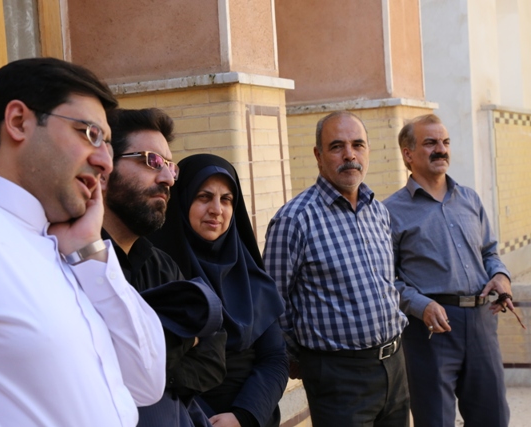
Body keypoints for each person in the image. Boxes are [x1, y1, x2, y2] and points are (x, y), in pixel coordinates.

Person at [0, 58, 165, 426]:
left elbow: (146, 382)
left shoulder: (70, 252)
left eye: (109, 146)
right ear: (19, 121)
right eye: (91, 134)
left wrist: (89, 251)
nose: (106, 162)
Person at [263, 111, 409, 427]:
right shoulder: (294, 220)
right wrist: (300, 358)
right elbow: (273, 303)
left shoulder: (378, 212)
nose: (349, 155)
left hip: (395, 367)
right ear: (318, 155)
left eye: (358, 145)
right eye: (337, 146)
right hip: (338, 378)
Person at [383, 113, 512, 427]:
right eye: (430, 143)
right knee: (435, 420)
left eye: (445, 142)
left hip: (482, 323)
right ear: (408, 154)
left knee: (494, 417)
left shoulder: (470, 199)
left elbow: (489, 252)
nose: (441, 149)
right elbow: (385, 280)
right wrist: (421, 305)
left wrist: (500, 275)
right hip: (431, 329)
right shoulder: (389, 211)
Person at [102, 108, 226, 427]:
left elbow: (213, 356)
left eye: (170, 166)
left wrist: (156, 373)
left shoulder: (160, 264)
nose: (168, 178)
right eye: (152, 161)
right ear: (104, 166)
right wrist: (184, 338)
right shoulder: (77, 263)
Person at [150, 153, 289, 427]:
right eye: (204, 197)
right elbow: (158, 368)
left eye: (226, 199)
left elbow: (275, 358)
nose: (216, 209)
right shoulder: (158, 273)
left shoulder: (251, 277)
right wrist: (204, 420)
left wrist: (243, 415)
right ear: (182, 201)